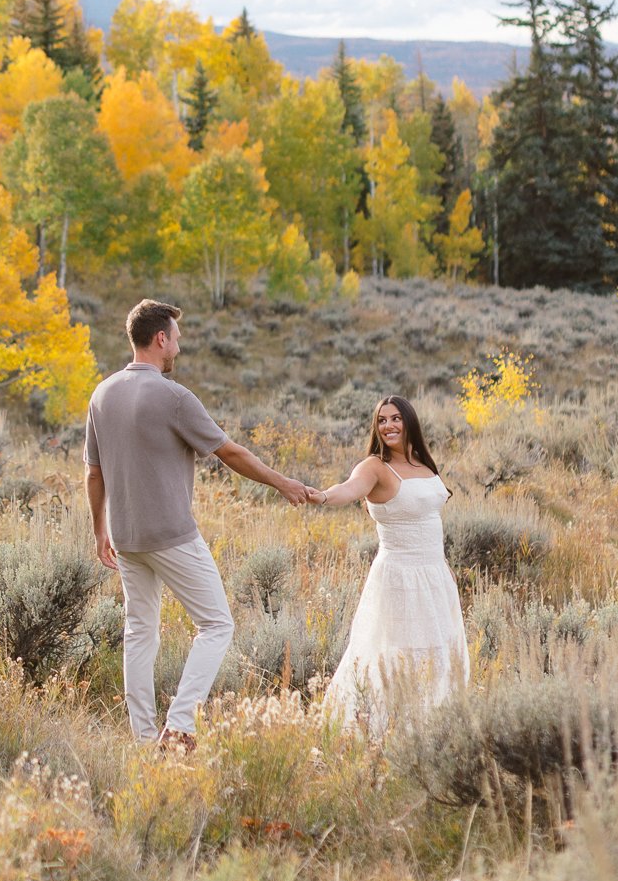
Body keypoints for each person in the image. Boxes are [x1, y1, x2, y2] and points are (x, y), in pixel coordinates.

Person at [85, 298, 317, 752]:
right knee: (216, 625)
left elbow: (93, 473)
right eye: (177, 338)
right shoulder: (174, 397)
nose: (179, 348)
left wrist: (100, 530)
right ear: (160, 338)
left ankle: (143, 739)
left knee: (139, 631)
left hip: (126, 535)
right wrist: (282, 482)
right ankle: (181, 724)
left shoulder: (101, 394)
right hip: (171, 534)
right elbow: (229, 453)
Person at [317, 394, 469, 731]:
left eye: (396, 418)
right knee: (398, 653)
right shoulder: (374, 467)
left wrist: (445, 569)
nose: (388, 426)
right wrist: (324, 496)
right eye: (382, 420)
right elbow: (350, 488)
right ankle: (383, 728)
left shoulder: (423, 464)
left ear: (409, 421)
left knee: (440, 650)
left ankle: (433, 727)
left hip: (435, 575)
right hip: (399, 577)